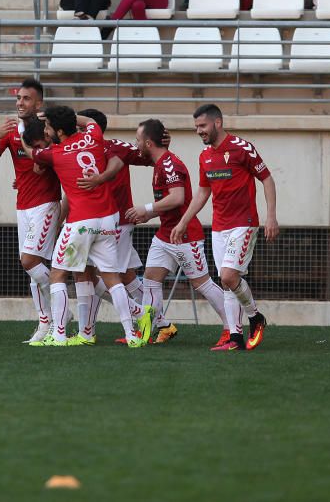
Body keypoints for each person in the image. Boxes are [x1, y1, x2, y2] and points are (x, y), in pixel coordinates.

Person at [23, 106, 154, 348]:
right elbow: (91, 120)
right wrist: (64, 116)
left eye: (49, 126)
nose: (46, 130)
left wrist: (23, 131)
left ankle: (59, 334)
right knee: (111, 277)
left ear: (59, 131)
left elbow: (32, 153)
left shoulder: (56, 153)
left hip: (81, 223)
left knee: (57, 274)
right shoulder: (94, 136)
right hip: (108, 220)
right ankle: (132, 334)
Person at [171, 104, 277, 351]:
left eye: (202, 126)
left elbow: (267, 179)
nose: (199, 131)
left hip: (244, 222)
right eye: (196, 126)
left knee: (229, 276)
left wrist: (271, 216)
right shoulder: (205, 156)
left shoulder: (242, 148)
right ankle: (236, 339)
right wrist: (184, 220)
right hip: (219, 226)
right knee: (227, 281)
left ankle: (255, 317)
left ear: (217, 123)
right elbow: (202, 193)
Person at [123, 119, 231, 348]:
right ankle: (146, 332)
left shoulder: (169, 164)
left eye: (138, 140)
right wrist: (149, 216)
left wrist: (147, 208)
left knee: (202, 284)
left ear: (149, 143)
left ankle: (232, 328)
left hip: (185, 236)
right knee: (151, 279)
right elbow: (170, 202)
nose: (136, 144)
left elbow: (178, 197)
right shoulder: (160, 162)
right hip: (165, 234)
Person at [0, 78, 62, 344]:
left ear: (38, 102)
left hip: (47, 203)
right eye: (18, 98)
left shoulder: (48, 128)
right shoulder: (9, 130)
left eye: (26, 98)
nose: (20, 103)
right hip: (23, 207)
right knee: (34, 267)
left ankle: (61, 315)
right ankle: (45, 322)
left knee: (29, 262)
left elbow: (60, 159)